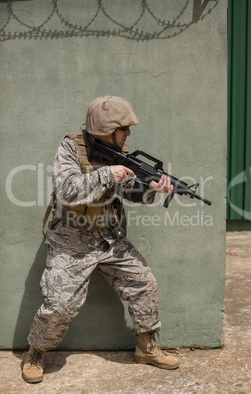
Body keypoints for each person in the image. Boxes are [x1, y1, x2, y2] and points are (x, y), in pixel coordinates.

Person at [22, 96, 179, 384]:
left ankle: (147, 348)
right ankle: (36, 351)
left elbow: (129, 190)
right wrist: (107, 174)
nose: (128, 133)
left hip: (108, 236)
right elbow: (67, 190)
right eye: (124, 128)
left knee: (144, 282)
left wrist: (152, 188)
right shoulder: (71, 148)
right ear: (105, 129)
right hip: (70, 238)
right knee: (60, 305)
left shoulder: (119, 149)